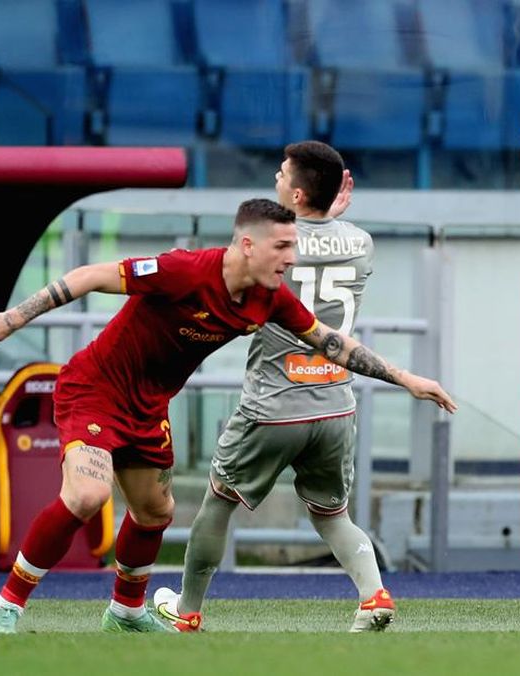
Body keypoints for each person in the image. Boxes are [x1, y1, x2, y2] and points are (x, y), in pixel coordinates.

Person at [0, 198, 457, 634]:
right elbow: (90, 275)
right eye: (282, 247)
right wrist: (11, 319)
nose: (292, 257)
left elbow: (331, 343)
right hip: (95, 389)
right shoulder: (183, 271)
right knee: (88, 493)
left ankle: (126, 612)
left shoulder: (269, 298)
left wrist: (405, 378)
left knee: (156, 513)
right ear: (247, 244)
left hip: (149, 404)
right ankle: (7, 606)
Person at [150, 141, 398, 634]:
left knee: (218, 500)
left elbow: (261, 255)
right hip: (335, 403)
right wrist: (328, 217)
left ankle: (188, 608)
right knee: (332, 515)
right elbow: (329, 236)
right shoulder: (361, 242)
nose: (275, 180)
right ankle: (374, 596)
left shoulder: (271, 241)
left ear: (299, 195)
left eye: (283, 175)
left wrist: (311, 219)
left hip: (273, 402)